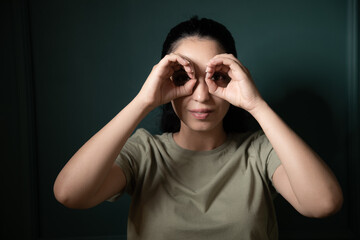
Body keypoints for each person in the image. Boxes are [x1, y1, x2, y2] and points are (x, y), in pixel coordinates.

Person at [53, 17, 343, 239]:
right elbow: (69, 193)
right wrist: (143, 101)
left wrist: (256, 104)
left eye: (216, 76)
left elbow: (323, 204)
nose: (202, 95)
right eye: (183, 76)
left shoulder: (258, 151)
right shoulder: (145, 153)